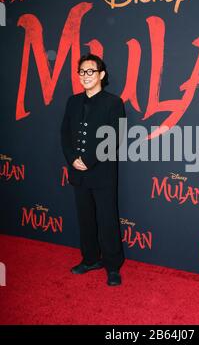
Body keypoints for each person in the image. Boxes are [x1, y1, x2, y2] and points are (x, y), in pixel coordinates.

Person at [60, 53, 125, 286]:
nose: (86, 76)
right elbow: (64, 133)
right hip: (77, 171)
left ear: (101, 75)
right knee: (85, 218)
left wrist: (88, 159)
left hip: (102, 172)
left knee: (107, 220)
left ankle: (113, 267)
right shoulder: (72, 101)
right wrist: (72, 159)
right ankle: (89, 259)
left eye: (91, 72)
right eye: (82, 72)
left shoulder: (114, 103)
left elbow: (115, 137)